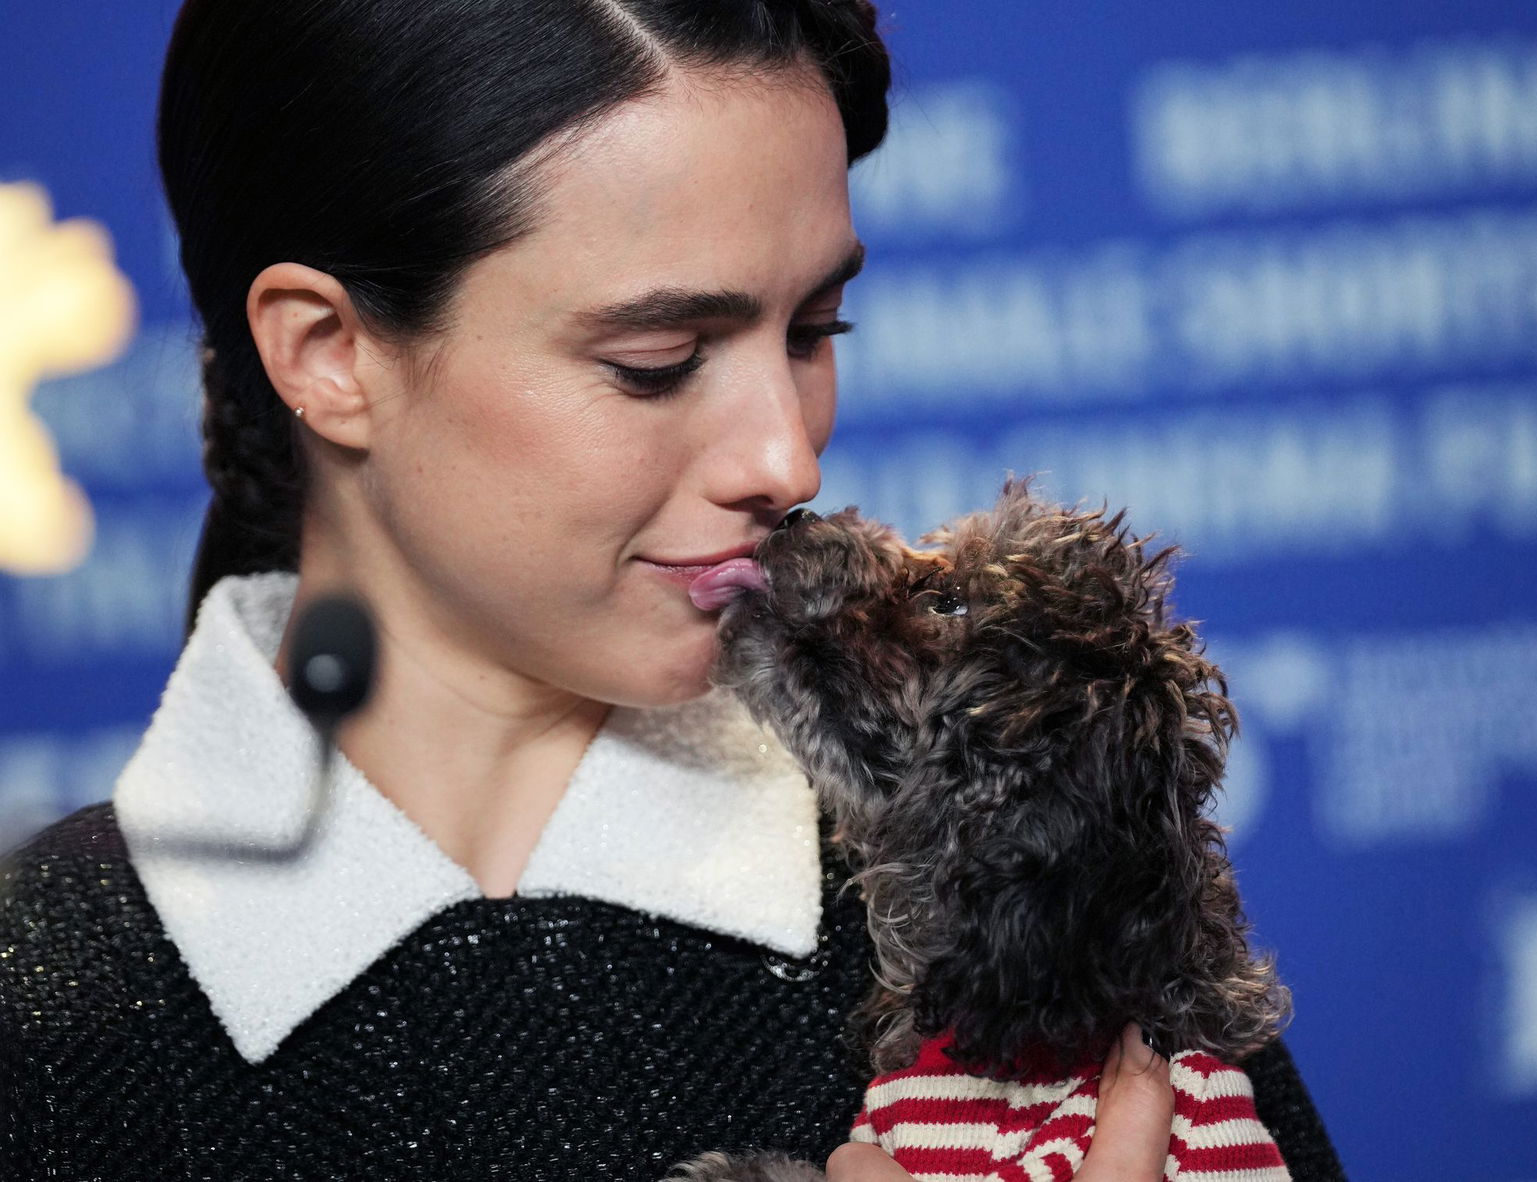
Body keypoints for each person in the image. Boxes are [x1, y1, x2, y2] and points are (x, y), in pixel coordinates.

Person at [0, 1, 1343, 1178]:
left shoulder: (1006, 914)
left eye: (816, 330)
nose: (787, 453)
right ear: (328, 353)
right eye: (657, 358)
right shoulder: (49, 1027)